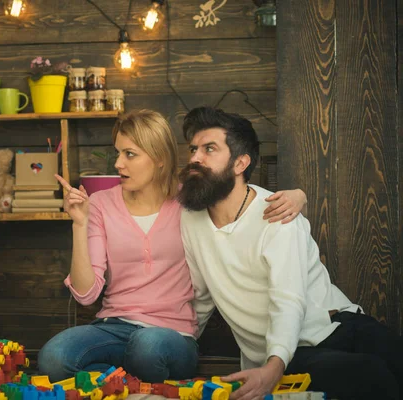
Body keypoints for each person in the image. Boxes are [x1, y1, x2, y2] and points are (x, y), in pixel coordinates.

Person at [38, 109, 308, 383]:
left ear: (158, 159)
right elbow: (85, 295)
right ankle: (120, 382)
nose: (118, 164)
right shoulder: (100, 204)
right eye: (117, 153)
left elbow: (237, 196)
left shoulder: (191, 201)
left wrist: (298, 196)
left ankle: (121, 379)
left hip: (171, 334)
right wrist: (79, 224)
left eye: (129, 154)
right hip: (114, 327)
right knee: (54, 356)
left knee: (148, 346)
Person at [178, 106, 403, 400]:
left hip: (338, 326)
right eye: (194, 148)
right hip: (291, 353)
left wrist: (273, 366)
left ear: (240, 163)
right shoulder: (190, 219)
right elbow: (201, 297)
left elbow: (288, 299)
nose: (195, 157)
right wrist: (180, 345)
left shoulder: (278, 214)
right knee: (371, 376)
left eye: (209, 149)